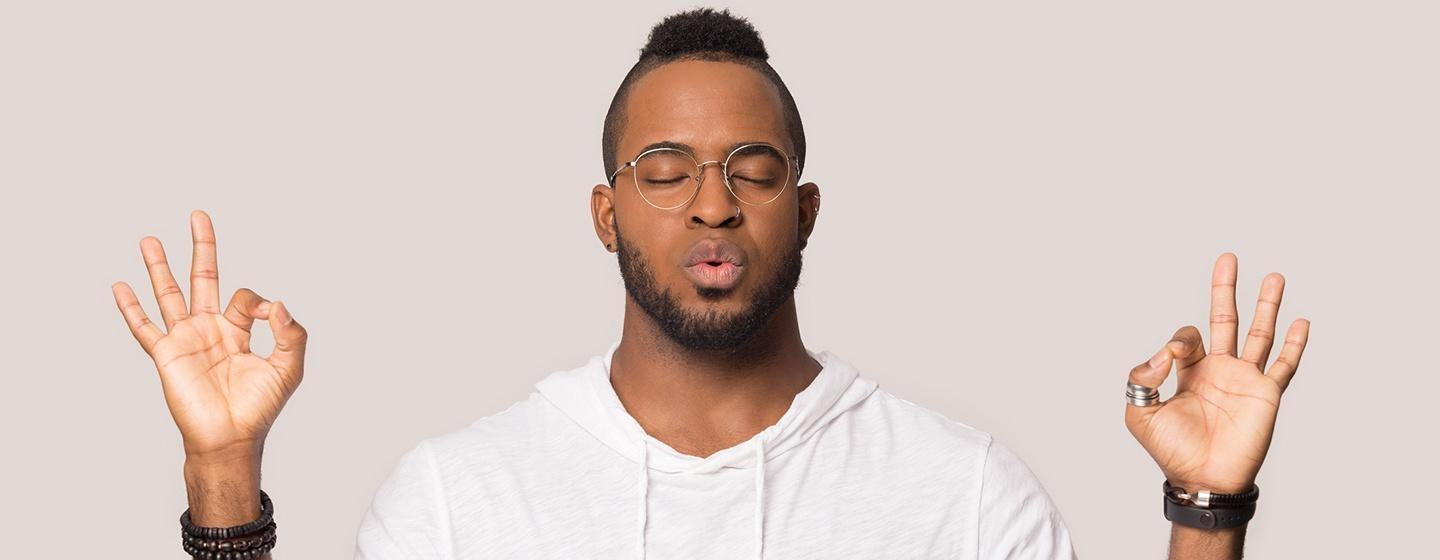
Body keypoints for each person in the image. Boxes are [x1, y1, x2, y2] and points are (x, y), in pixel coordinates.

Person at [110, 8, 1310, 560]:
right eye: (666, 168)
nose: (712, 202)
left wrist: (1206, 513)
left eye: (753, 167)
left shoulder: (963, 495)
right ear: (605, 211)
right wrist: (224, 473)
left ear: (807, 208)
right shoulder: (457, 502)